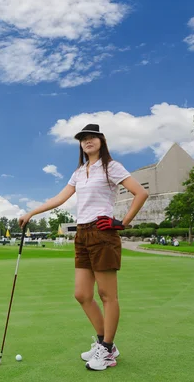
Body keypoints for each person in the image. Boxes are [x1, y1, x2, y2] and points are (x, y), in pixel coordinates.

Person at [18, 124, 148, 371]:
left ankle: (107, 351)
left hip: (103, 233)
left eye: (92, 138)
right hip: (82, 234)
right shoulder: (79, 172)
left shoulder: (112, 166)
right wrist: (32, 212)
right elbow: (60, 198)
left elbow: (140, 193)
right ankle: (105, 343)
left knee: (107, 295)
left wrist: (122, 223)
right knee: (82, 294)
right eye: (83, 139)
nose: (87, 141)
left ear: (101, 141)